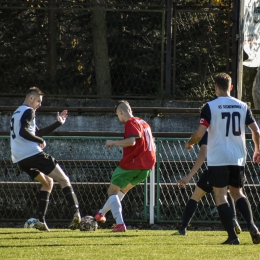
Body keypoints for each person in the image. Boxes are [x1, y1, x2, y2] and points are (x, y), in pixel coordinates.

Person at [184, 72, 260, 245]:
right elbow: (256, 131)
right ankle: (252, 226)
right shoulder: (242, 106)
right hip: (238, 157)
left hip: (219, 157)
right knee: (237, 192)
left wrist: (190, 142)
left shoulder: (210, 107)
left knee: (220, 195)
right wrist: (257, 150)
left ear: (215, 87)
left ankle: (232, 237)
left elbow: (200, 134)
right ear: (231, 87)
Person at [10, 87, 81, 231]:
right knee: (64, 179)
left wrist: (58, 123)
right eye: (38, 101)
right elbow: (23, 132)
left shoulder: (17, 112)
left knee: (48, 183)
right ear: (31, 98)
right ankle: (77, 214)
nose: (39, 105)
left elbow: (36, 132)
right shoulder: (29, 111)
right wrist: (39, 140)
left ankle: (40, 221)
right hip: (32, 154)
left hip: (20, 159)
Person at [94, 100, 156, 232]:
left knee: (112, 191)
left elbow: (131, 142)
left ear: (121, 112)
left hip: (132, 164)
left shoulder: (130, 122)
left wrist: (113, 142)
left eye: (118, 115)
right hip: (147, 166)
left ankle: (120, 223)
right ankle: (101, 214)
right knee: (122, 191)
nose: (119, 118)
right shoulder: (144, 123)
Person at [173, 131, 241, 236]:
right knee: (225, 194)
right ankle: (233, 219)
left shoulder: (206, 130)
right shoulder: (221, 130)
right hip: (228, 166)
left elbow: (203, 154)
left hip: (214, 169)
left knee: (195, 196)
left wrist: (188, 177)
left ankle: (182, 229)